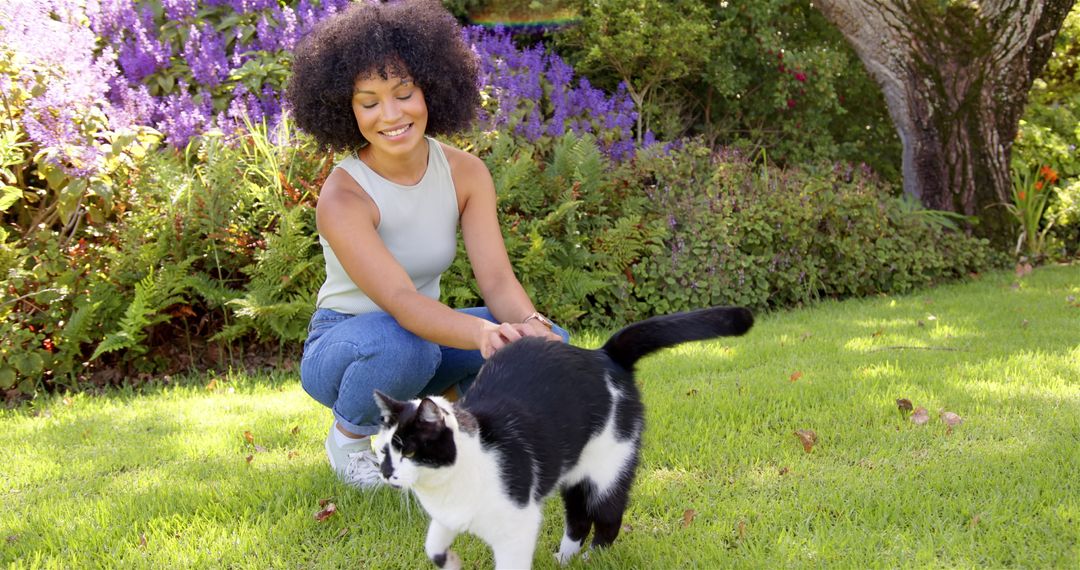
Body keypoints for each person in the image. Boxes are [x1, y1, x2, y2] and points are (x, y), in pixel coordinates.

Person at [285, 0, 569, 489]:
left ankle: (467, 435)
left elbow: (497, 280)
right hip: (347, 345)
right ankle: (349, 440)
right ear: (345, 109)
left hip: (424, 335)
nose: (391, 115)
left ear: (431, 89)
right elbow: (400, 301)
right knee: (410, 349)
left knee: (540, 346)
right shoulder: (344, 195)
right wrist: (481, 335)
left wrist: (529, 326)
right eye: (369, 102)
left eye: (404, 93)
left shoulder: (466, 173)